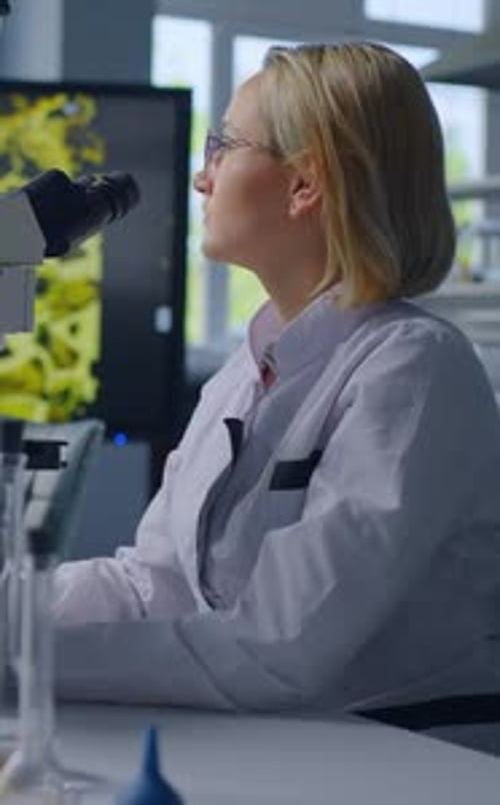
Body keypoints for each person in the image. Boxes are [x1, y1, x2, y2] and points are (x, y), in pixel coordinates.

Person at [54, 42, 500, 717]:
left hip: (402, 757)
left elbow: (279, 649)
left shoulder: (415, 370)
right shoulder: (243, 375)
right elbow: (154, 587)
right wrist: (17, 605)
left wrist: (26, 656)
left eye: (222, 148)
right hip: (285, 742)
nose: (203, 180)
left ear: (305, 184)